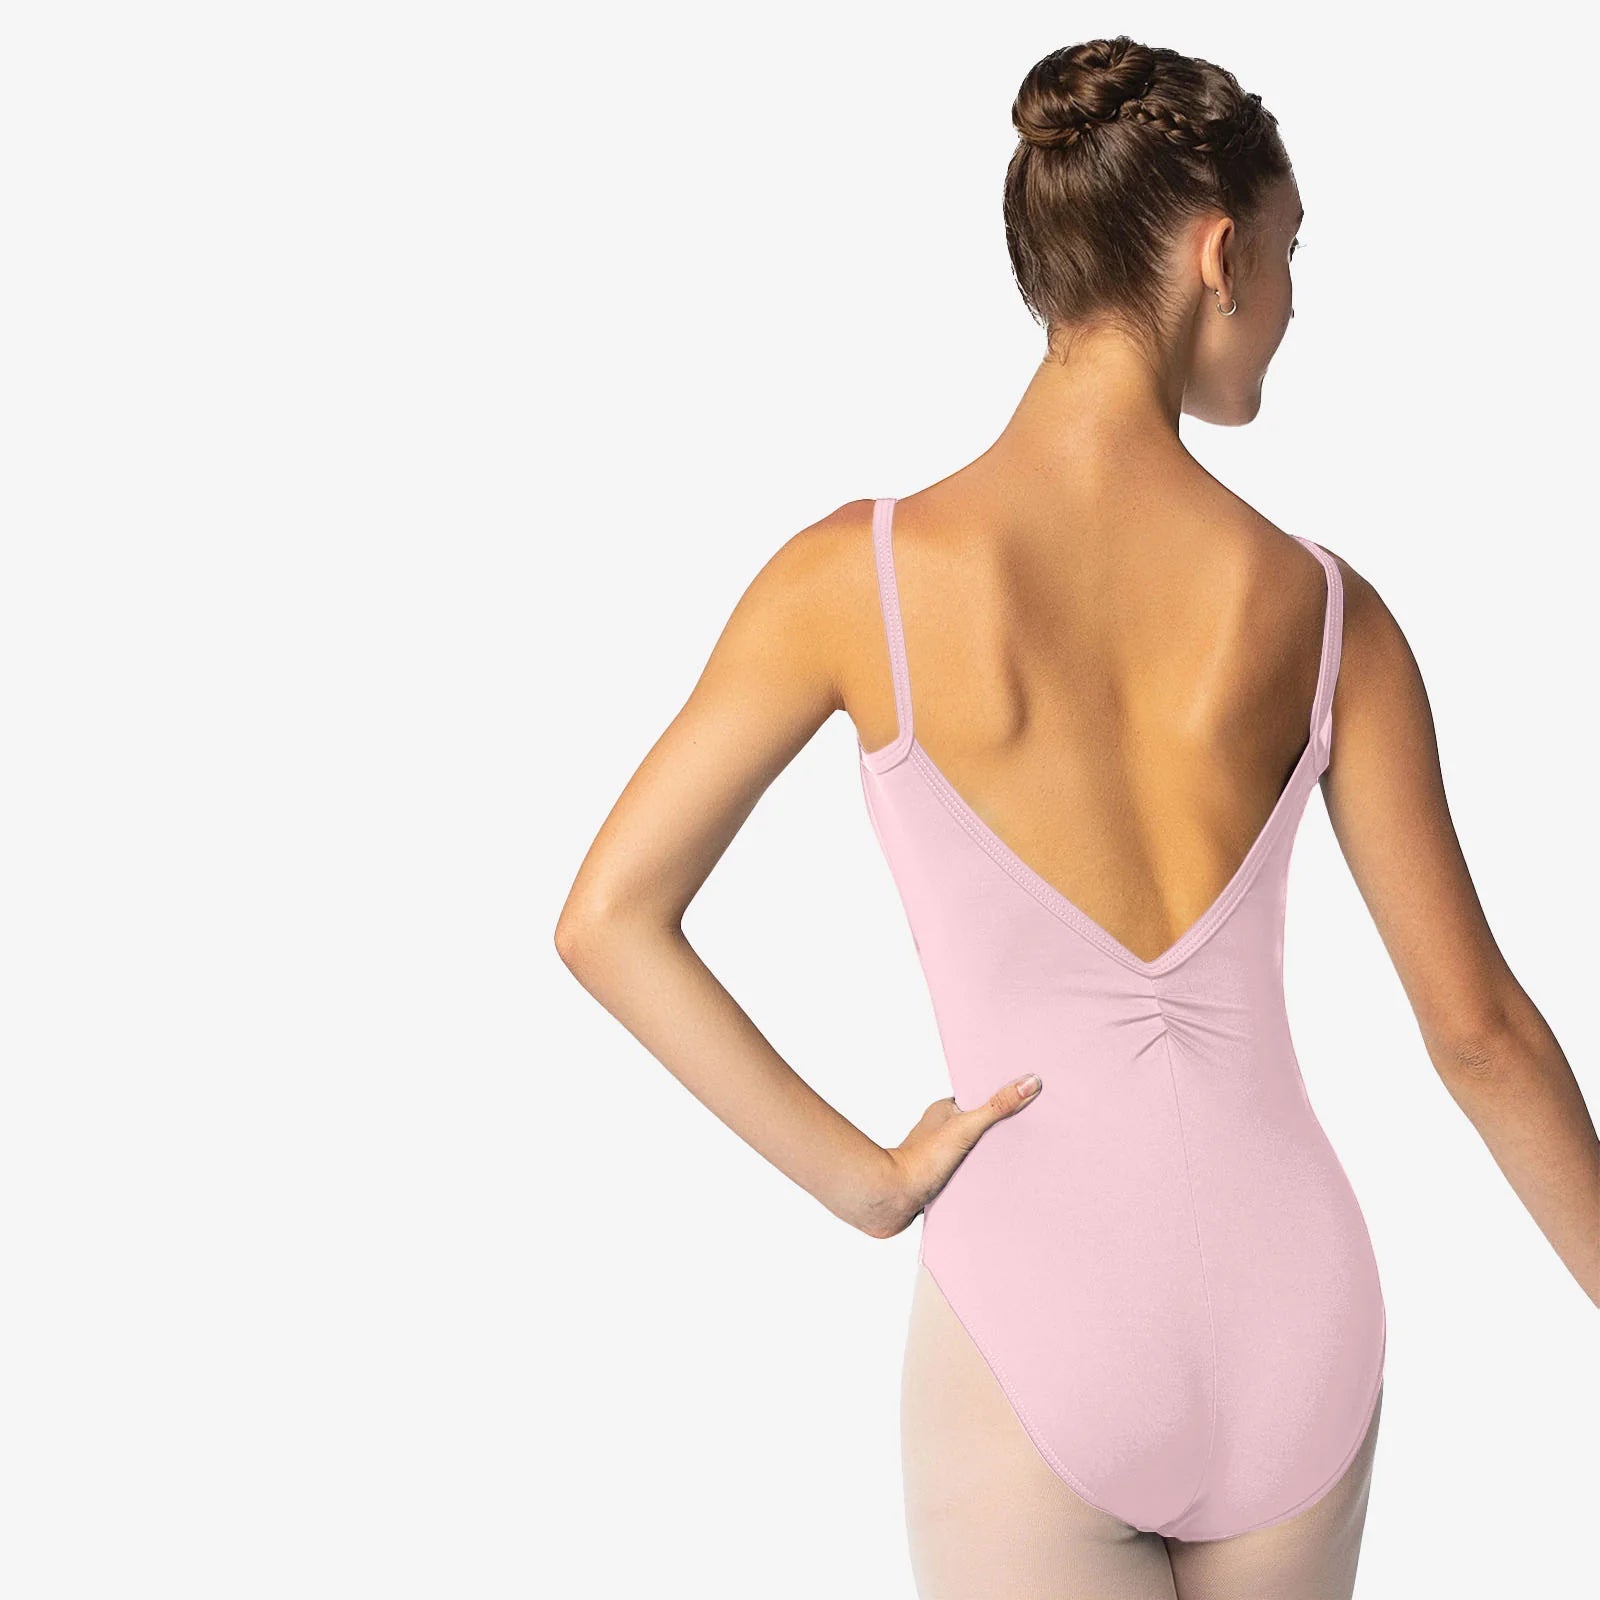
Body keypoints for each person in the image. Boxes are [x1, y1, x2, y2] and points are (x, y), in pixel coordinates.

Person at [554, 34, 1600, 1600]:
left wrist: (866, 1178)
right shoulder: (1327, 616)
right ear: (1219, 256)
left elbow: (608, 920)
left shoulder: (862, 580)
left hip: (1039, 1314)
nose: (1295, 303)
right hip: (1297, 1318)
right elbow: (1481, 1037)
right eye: (1293, 252)